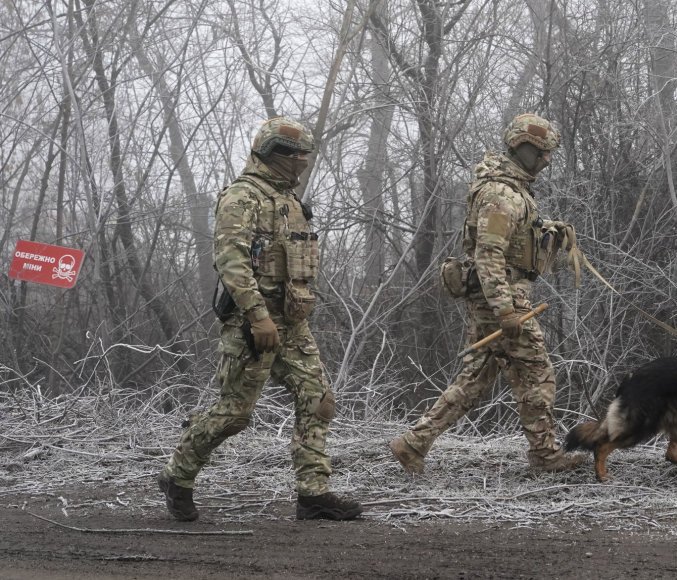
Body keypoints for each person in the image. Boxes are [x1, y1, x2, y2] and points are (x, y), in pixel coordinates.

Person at [158, 118, 362, 521]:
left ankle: (313, 494)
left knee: (318, 399)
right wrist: (257, 317)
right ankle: (176, 475)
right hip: (253, 324)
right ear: (275, 154)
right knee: (235, 413)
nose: (303, 162)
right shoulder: (242, 196)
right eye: (297, 155)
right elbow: (232, 262)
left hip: (291, 323)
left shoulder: (287, 200)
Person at [390, 113, 585, 474]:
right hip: (502, 298)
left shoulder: (514, 190)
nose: (547, 160)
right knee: (537, 375)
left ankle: (413, 443)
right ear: (521, 148)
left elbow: (507, 244)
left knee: (475, 379)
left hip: (498, 297)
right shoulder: (500, 193)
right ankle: (546, 456)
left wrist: (546, 233)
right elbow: (487, 253)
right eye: (541, 152)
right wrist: (506, 310)